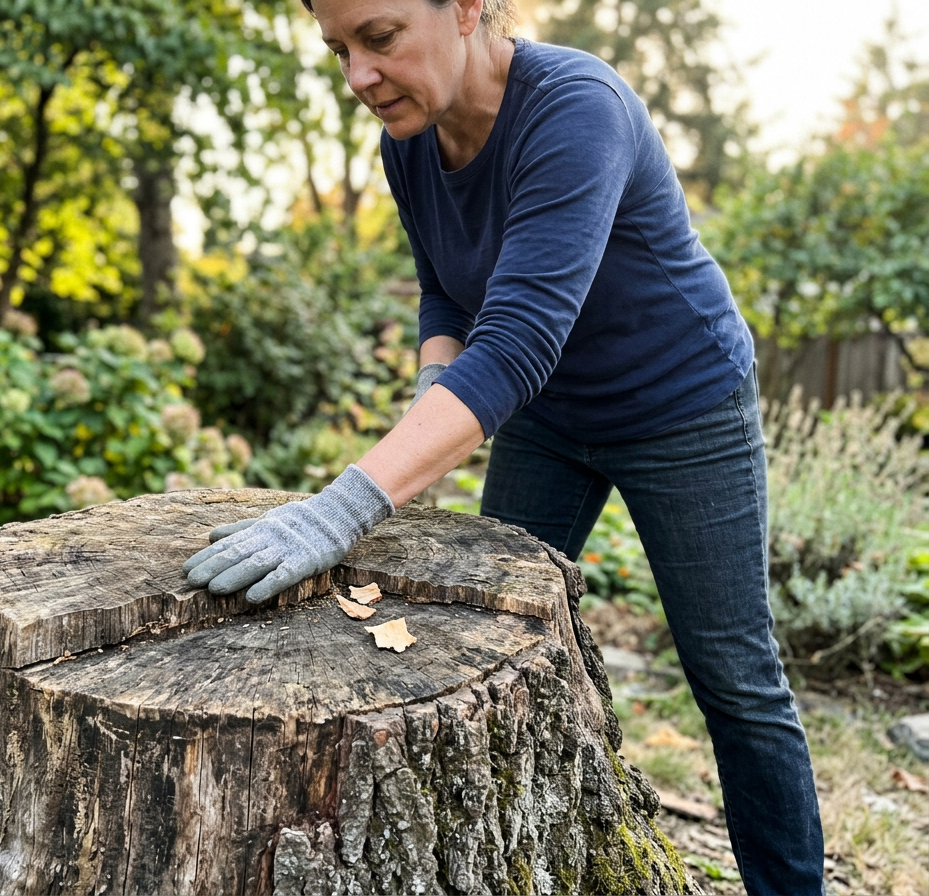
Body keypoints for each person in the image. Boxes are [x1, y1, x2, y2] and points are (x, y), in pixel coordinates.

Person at [183, 0, 824, 891]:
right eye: (338, 50)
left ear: (466, 8)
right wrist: (433, 386)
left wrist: (337, 512)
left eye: (380, 38)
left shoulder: (578, 108)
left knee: (735, 680)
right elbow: (448, 295)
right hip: (548, 418)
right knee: (499, 646)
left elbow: (518, 340)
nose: (358, 77)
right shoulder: (411, 140)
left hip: (681, 405)